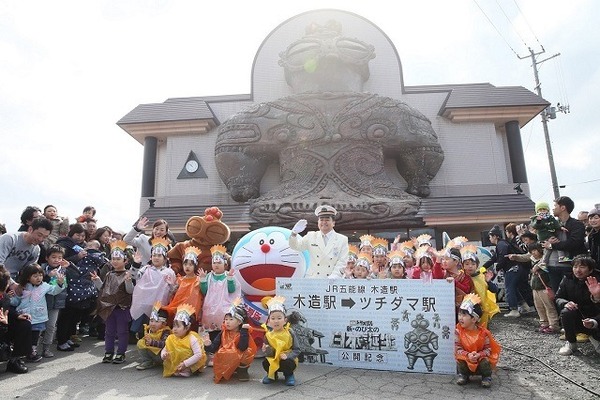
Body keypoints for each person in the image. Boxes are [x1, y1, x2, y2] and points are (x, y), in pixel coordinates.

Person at [55, 239, 104, 352]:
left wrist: (89, 253)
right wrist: (77, 257)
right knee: (66, 316)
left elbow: (99, 260)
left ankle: (67, 339)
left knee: (74, 317)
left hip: (84, 289)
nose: (89, 247)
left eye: (93, 246)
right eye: (88, 245)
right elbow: (71, 266)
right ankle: (62, 341)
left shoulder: (95, 257)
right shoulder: (75, 250)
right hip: (71, 288)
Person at [11, 263, 66, 362]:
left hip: (38, 316)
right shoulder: (22, 287)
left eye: (40, 275)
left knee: (35, 335)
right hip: (24, 316)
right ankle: (20, 353)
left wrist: (60, 283)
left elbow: (54, 291)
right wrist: (11, 298)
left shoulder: (44, 286)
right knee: (24, 335)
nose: (38, 278)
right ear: (28, 277)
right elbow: (16, 301)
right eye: (35, 276)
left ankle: (32, 352)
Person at [91, 240, 134, 364]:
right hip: (109, 308)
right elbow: (103, 289)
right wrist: (97, 280)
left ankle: (121, 353)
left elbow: (130, 291)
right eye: (113, 258)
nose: (115, 261)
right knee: (109, 331)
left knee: (122, 331)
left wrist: (128, 281)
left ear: (125, 260)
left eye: (118, 259)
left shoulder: (128, 274)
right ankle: (108, 351)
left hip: (122, 307)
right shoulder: (109, 274)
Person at [130, 238, 176, 338]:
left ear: (165, 258)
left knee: (158, 330)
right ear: (151, 257)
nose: (156, 258)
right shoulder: (146, 268)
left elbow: (173, 291)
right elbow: (134, 276)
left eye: (159, 255)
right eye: (154, 255)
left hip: (159, 305)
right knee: (143, 329)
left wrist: (171, 285)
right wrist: (136, 264)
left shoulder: (169, 272)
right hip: (144, 304)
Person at [542, 196, 588, 293]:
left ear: (563, 208)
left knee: (573, 295)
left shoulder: (576, 224)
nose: (553, 208)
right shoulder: (551, 224)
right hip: (551, 265)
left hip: (570, 266)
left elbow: (574, 243)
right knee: (558, 297)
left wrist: (552, 245)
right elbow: (542, 240)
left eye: (555, 206)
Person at [454, 294, 501, 388]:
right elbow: (457, 348)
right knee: (460, 359)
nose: (460, 318)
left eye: (464, 315)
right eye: (459, 314)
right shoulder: (458, 331)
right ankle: (464, 375)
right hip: (467, 358)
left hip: (479, 359)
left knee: (485, 361)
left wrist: (479, 355)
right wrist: (468, 355)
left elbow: (489, 350)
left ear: (474, 319)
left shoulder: (483, 333)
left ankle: (486, 377)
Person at [483, 224, 531, 317]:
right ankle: (524, 306)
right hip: (516, 268)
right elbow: (493, 258)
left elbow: (502, 258)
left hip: (513, 268)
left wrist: (496, 269)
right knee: (513, 288)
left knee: (509, 288)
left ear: (495, 236)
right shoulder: (502, 243)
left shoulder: (501, 244)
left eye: (490, 236)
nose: (489, 239)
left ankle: (514, 310)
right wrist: (483, 267)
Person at [204, 300, 257, 383]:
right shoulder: (222, 333)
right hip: (226, 358)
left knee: (246, 353)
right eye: (226, 319)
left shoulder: (243, 333)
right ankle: (225, 370)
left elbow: (243, 347)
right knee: (220, 352)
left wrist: (243, 331)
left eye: (231, 319)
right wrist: (208, 345)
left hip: (240, 357)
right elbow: (214, 348)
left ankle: (242, 370)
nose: (227, 322)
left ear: (239, 321)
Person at [556, 256, 600, 355]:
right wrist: (565, 303)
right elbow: (558, 297)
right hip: (578, 315)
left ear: (591, 270)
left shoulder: (597, 280)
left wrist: (597, 297)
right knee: (566, 312)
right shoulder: (567, 278)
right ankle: (571, 343)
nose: (578, 270)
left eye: (582, 267)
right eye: (575, 267)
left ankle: (595, 338)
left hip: (596, 316)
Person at [289, 205, 349, 278]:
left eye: (327, 220)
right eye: (321, 219)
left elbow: (342, 261)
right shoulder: (311, 236)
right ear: (318, 222)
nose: (324, 222)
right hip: (313, 280)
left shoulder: (342, 239)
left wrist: (335, 275)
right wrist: (294, 233)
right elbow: (296, 246)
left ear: (333, 222)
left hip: (332, 279)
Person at [199, 245, 241, 344]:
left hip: (224, 307)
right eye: (214, 263)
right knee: (211, 332)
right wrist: (203, 280)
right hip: (210, 308)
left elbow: (232, 290)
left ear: (225, 264)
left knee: (224, 331)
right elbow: (204, 291)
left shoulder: (228, 276)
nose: (216, 265)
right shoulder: (209, 276)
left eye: (219, 262)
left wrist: (230, 279)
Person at [0, 265, 32, 374]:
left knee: (24, 324)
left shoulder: (4, 297)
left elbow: (8, 310)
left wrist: (16, 315)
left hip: (3, 325)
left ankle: (15, 360)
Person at [261, 296, 299, 386]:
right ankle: (272, 375)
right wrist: (266, 349)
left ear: (285, 320)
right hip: (274, 358)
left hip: (287, 358)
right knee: (266, 362)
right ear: (269, 321)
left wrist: (288, 355)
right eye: (273, 318)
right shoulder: (268, 334)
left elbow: (297, 349)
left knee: (287, 363)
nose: (276, 321)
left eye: (279, 318)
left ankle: (289, 375)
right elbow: (269, 354)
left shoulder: (290, 332)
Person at [40, 245, 70, 358]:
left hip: (56, 303)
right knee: (38, 326)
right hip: (41, 302)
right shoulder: (41, 269)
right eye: (53, 257)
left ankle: (46, 348)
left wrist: (67, 268)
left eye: (59, 257)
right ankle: (33, 348)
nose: (56, 260)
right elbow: (36, 282)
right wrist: (47, 276)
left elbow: (66, 284)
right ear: (47, 258)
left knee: (51, 326)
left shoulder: (63, 270)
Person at [0, 217, 53, 282]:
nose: (41, 239)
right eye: (39, 235)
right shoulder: (10, 238)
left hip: (13, 281)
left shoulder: (36, 250)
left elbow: (28, 272)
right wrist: (12, 284)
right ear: (30, 229)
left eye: (45, 237)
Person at [161, 304, 206, 377]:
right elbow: (164, 349)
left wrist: (185, 364)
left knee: (184, 351)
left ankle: (188, 369)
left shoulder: (192, 338)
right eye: (174, 326)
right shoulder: (171, 338)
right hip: (178, 363)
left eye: (178, 326)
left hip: (189, 363)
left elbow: (198, 355)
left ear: (187, 327)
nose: (175, 329)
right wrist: (164, 355)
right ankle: (178, 368)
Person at [460, 245, 499, 328]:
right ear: (462, 265)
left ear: (477, 265)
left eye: (473, 264)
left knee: (481, 332)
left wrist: (488, 281)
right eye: (467, 264)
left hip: (481, 310)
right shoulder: (460, 276)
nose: (470, 266)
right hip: (464, 311)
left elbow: (494, 290)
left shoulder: (482, 277)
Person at [525, 242, 560, 334]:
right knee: (539, 306)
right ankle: (544, 323)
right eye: (531, 251)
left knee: (549, 306)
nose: (533, 253)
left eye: (535, 250)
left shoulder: (545, 260)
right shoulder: (533, 260)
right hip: (535, 287)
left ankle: (554, 325)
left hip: (544, 286)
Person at [163, 246, 203, 325]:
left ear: (195, 266)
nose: (187, 267)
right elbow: (173, 295)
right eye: (185, 264)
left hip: (192, 312)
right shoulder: (179, 280)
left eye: (190, 264)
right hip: (178, 311)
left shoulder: (199, 280)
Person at [136, 303, 171, 370]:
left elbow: (165, 344)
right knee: (141, 342)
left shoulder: (166, 331)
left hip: (162, 356)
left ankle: (162, 363)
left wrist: (152, 342)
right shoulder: (148, 329)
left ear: (164, 323)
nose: (153, 324)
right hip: (153, 354)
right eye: (151, 321)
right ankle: (148, 361)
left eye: (157, 321)